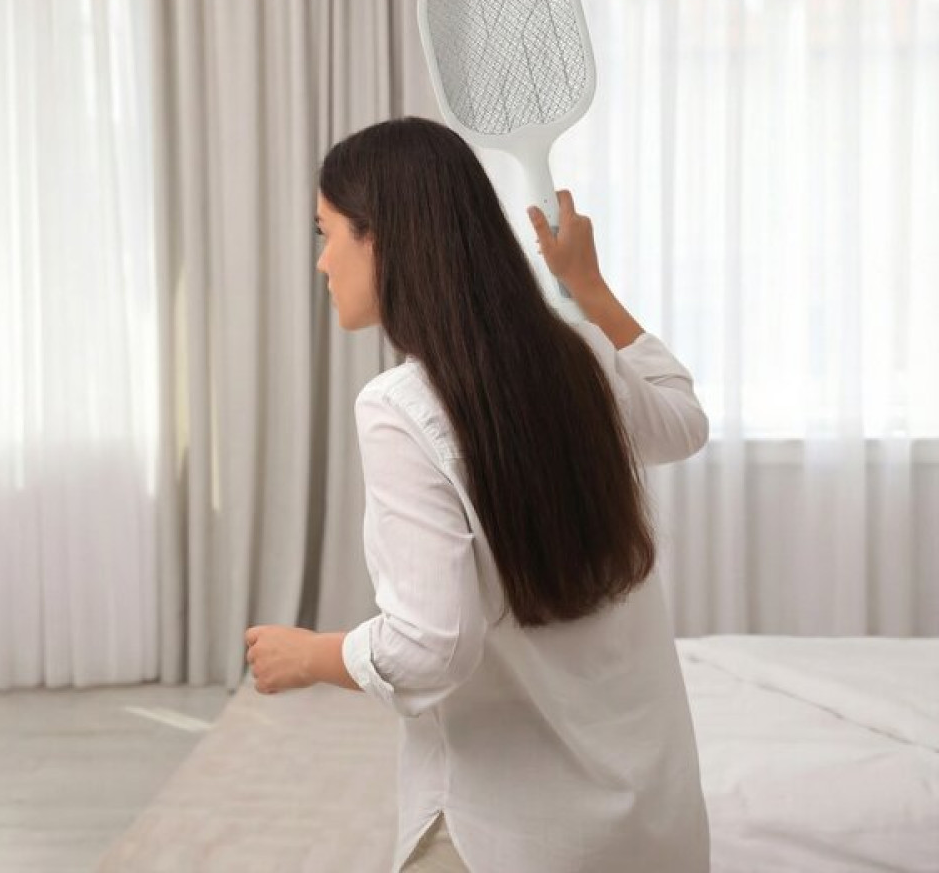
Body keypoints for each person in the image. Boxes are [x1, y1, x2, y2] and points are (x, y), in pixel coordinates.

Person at [244, 116, 711, 873]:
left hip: (509, 838)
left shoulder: (399, 408)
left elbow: (431, 646)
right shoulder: (581, 356)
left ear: (382, 239)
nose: (323, 262)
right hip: (651, 825)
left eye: (327, 233)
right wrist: (589, 288)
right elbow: (683, 422)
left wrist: (314, 656)